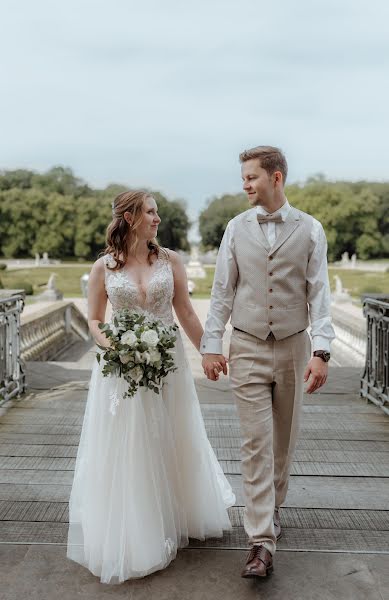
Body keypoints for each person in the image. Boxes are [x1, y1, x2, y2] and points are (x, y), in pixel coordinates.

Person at [67, 190, 235, 584]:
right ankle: (135, 524)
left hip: (168, 362)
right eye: (151, 211)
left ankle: (177, 511)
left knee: (170, 431)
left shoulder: (170, 261)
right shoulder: (103, 268)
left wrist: (211, 352)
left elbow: (187, 312)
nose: (157, 218)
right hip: (120, 366)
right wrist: (117, 347)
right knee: (130, 440)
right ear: (129, 217)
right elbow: (93, 320)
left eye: (157, 211)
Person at [201, 146, 335, 578]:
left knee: (283, 443)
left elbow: (320, 294)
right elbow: (222, 291)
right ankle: (260, 542)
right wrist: (210, 343)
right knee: (256, 444)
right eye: (243, 177)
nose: (244, 184)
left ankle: (272, 507)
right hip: (247, 345)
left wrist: (321, 351)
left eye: (251, 177)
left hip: (295, 347)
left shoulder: (311, 229)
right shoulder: (235, 228)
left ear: (276, 178)